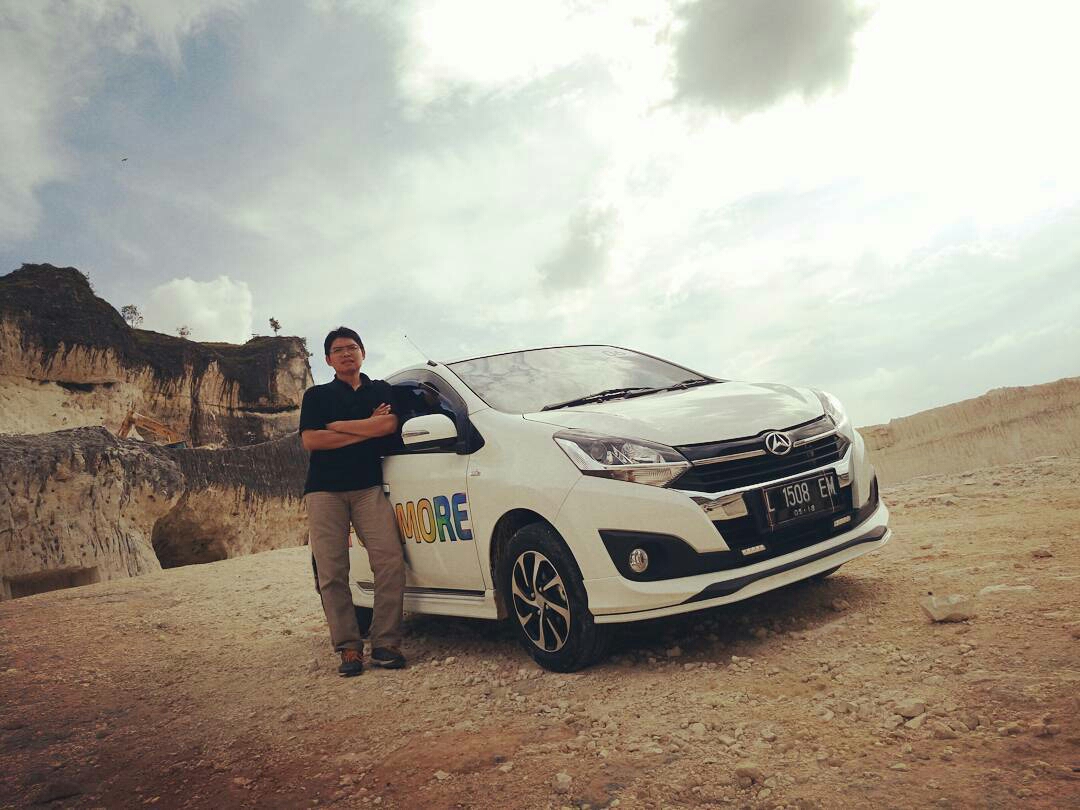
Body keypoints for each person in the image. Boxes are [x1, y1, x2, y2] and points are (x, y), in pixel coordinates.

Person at [299, 326, 406, 676]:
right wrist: (365, 427)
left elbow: (388, 426)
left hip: (368, 489)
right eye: (338, 350)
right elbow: (313, 441)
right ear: (328, 360)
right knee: (332, 571)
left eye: (352, 347)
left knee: (389, 561)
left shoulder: (380, 390)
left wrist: (339, 426)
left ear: (363, 353)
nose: (346, 353)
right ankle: (348, 648)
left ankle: (386, 643)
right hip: (323, 491)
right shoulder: (317, 396)